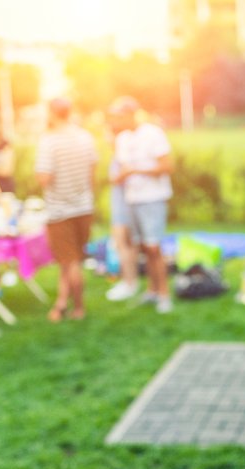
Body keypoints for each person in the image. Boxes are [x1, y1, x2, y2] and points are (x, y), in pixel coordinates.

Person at [108, 96, 174, 313]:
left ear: (131, 114)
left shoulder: (153, 133)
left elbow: (167, 166)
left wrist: (135, 170)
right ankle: (151, 291)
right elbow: (122, 170)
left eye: (120, 116)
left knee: (154, 247)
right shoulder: (122, 139)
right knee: (143, 248)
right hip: (132, 199)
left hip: (152, 199)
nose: (116, 121)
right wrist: (119, 177)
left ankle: (164, 295)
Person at [35, 97, 97, 322]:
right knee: (70, 259)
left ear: (51, 113)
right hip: (84, 207)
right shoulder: (85, 137)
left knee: (70, 262)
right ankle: (61, 302)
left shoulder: (49, 141)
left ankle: (78, 308)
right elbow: (92, 173)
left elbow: (44, 177)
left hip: (60, 211)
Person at [105, 105, 138, 303]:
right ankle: (129, 281)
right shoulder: (120, 152)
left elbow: (125, 176)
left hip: (123, 205)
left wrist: (114, 179)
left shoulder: (121, 153)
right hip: (123, 203)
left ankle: (129, 283)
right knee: (127, 244)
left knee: (123, 243)